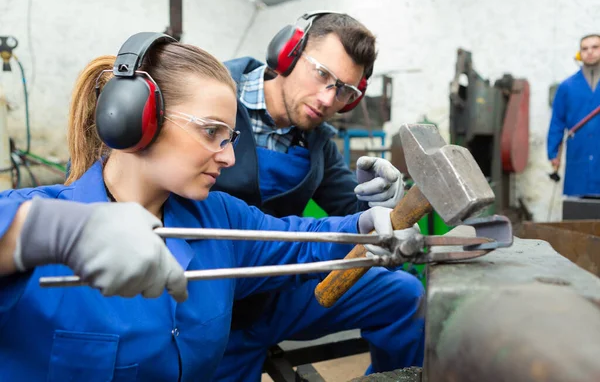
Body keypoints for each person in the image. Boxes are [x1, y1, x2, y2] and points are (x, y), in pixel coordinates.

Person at [0, 32, 409, 381]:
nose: (229, 158)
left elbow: (302, 240)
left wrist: (369, 223)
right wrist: (53, 233)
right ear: (135, 117)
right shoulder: (34, 221)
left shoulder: (221, 220)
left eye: (229, 136)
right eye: (211, 131)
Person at [211, 12, 425, 381]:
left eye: (344, 90)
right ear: (288, 53)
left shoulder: (317, 142)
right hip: (212, 296)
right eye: (323, 74)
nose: (329, 99)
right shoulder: (213, 97)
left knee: (404, 295)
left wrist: (382, 199)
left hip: (278, 292)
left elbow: (353, 214)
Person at [548, 33, 600, 196]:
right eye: (585, 48)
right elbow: (557, 121)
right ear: (579, 53)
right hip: (578, 156)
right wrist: (553, 152)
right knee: (578, 214)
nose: (590, 52)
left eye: (595, 47)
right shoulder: (567, 87)